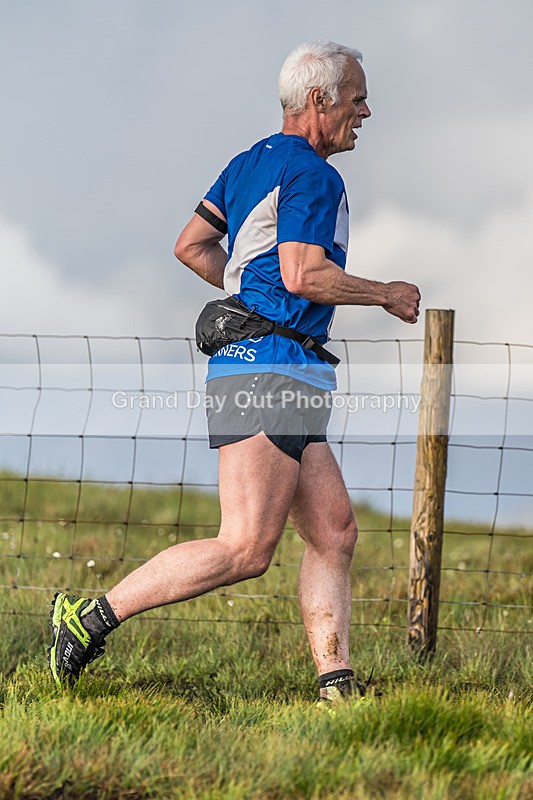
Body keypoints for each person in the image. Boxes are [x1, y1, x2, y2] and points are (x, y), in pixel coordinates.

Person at [48, 41, 420, 703]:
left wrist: (248, 290)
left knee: (333, 529)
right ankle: (89, 616)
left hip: (286, 371)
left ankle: (336, 686)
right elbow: (305, 275)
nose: (365, 111)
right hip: (268, 371)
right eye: (355, 98)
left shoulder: (249, 163)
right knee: (246, 547)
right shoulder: (313, 174)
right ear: (318, 101)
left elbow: (189, 245)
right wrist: (384, 293)